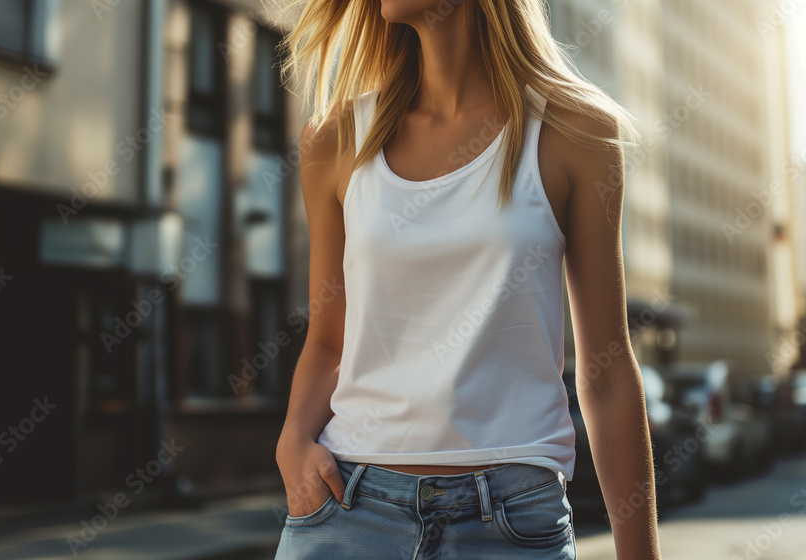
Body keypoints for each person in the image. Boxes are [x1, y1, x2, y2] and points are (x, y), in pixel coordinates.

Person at [272, 0, 662, 558]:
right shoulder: (335, 139)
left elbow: (607, 368)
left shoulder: (574, 132)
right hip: (351, 512)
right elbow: (328, 339)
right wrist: (292, 442)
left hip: (511, 523)